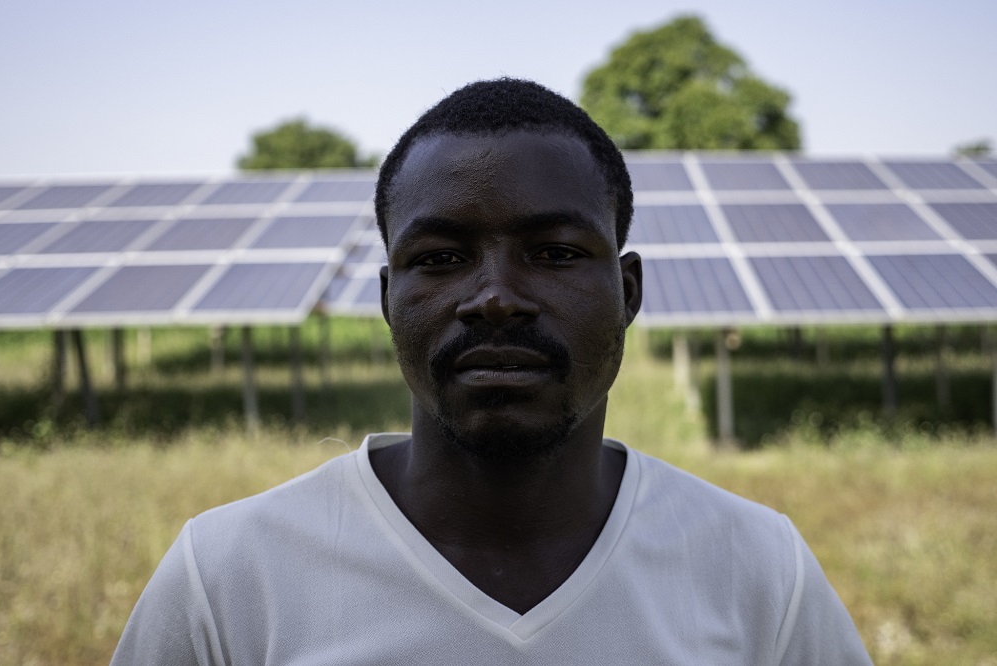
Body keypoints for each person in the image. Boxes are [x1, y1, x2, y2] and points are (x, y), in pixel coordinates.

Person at [112, 78, 871, 664]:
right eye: (440, 258)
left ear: (628, 293)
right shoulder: (227, 579)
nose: (497, 298)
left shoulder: (761, 572)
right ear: (387, 298)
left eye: (556, 253)